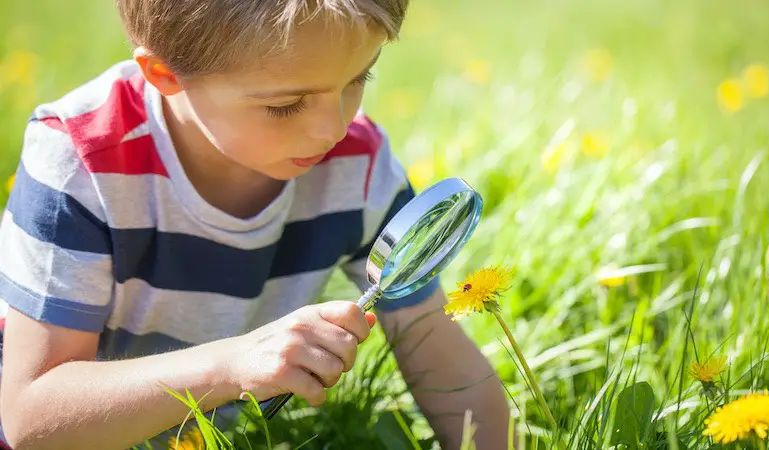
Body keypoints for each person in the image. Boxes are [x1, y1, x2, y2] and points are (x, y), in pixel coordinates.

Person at [0, 0, 510, 449]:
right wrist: (229, 366)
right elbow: (30, 419)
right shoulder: (84, 161)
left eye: (359, 78)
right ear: (166, 74)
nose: (332, 129)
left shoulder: (356, 164)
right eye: (284, 105)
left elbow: (439, 354)